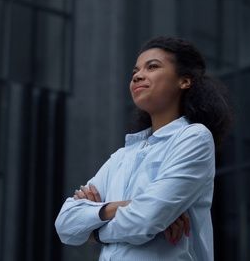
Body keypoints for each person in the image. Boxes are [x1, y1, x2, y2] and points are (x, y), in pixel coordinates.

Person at [55, 36, 233, 260]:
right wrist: (127, 206)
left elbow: (146, 219)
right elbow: (65, 224)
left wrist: (93, 230)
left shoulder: (193, 138)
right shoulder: (122, 156)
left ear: (184, 81)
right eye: (135, 71)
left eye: (152, 67)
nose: (138, 75)